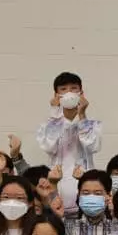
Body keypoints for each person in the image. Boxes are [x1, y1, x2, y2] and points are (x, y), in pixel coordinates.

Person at [36, 71, 102, 216]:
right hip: (56, 192)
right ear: (56, 95)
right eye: (63, 89)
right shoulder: (48, 125)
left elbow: (93, 146)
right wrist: (54, 113)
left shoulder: (92, 124)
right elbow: (48, 147)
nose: (69, 93)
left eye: (73, 88)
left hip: (86, 195)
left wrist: (82, 115)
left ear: (81, 93)